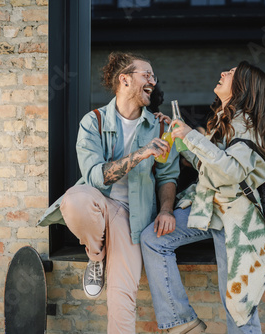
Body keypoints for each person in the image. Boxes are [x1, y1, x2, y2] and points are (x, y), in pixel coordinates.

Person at [43, 52, 180, 334]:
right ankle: (96, 257)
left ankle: (101, 258)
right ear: (124, 79)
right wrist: (140, 154)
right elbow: (95, 176)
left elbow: (168, 176)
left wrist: (166, 210)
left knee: (122, 298)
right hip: (100, 202)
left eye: (154, 77)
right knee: (74, 200)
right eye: (147, 74)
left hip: (134, 218)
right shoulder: (92, 122)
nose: (152, 81)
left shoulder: (161, 125)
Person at [141, 61, 265, 334]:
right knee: (153, 239)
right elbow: (209, 167)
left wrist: (193, 136)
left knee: (238, 307)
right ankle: (181, 321)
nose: (223, 73)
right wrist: (180, 137)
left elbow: (230, 172)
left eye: (231, 73)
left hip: (236, 222)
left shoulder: (247, 127)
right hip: (210, 209)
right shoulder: (224, 121)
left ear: (243, 88)